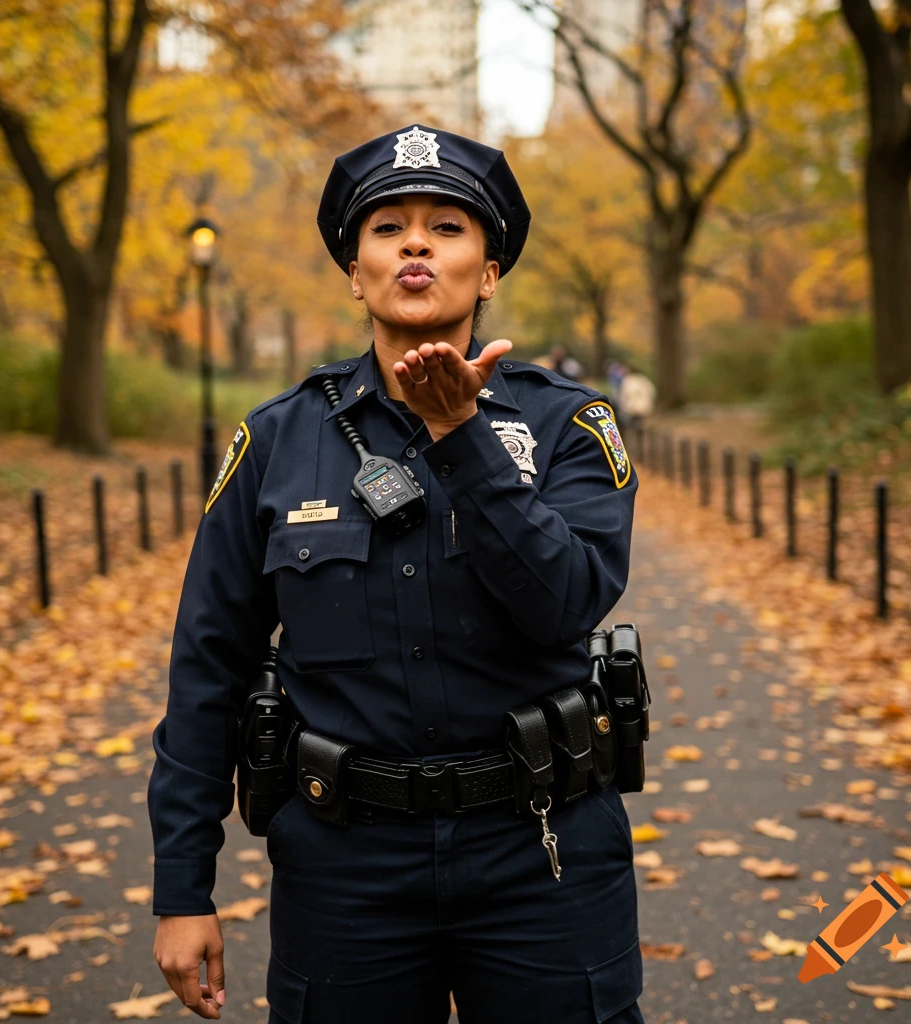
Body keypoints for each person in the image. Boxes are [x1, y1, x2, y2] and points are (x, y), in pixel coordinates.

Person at [148, 124, 642, 1024]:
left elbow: (567, 600)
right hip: (345, 865)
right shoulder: (279, 439)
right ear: (355, 270)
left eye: (448, 228)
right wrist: (183, 886)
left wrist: (465, 444)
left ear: (489, 271)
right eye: (389, 228)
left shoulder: (571, 424)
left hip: (545, 852)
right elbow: (208, 663)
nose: (416, 243)